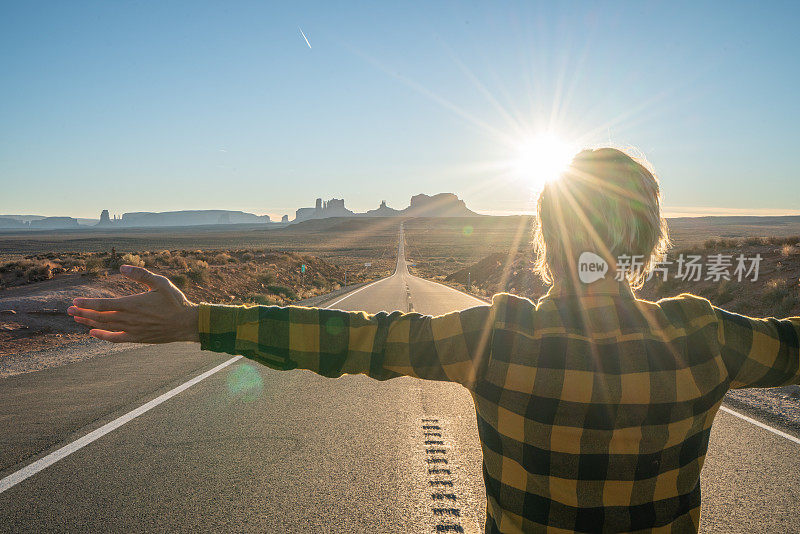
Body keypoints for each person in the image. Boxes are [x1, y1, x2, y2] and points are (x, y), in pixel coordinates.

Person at [68, 148, 800, 533]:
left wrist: (199, 320)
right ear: (652, 239)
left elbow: (350, 338)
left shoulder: (501, 338)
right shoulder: (703, 337)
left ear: (543, 238)